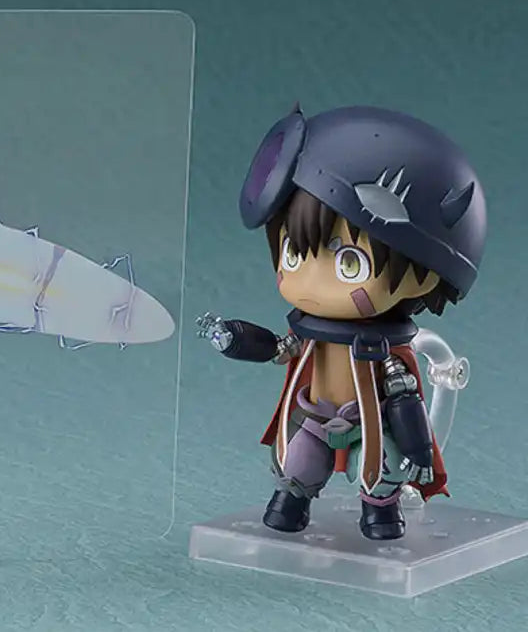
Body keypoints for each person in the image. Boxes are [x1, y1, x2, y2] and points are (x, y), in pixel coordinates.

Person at [197, 105, 486, 540]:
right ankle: (291, 503)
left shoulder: (388, 354)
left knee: (383, 470)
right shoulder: (309, 335)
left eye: (350, 263)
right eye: (294, 254)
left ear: (424, 273)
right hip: (314, 415)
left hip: (372, 424)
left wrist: (420, 451)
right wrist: (235, 339)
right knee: (296, 464)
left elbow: (406, 401)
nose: (312, 282)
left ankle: (380, 513)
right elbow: (279, 349)